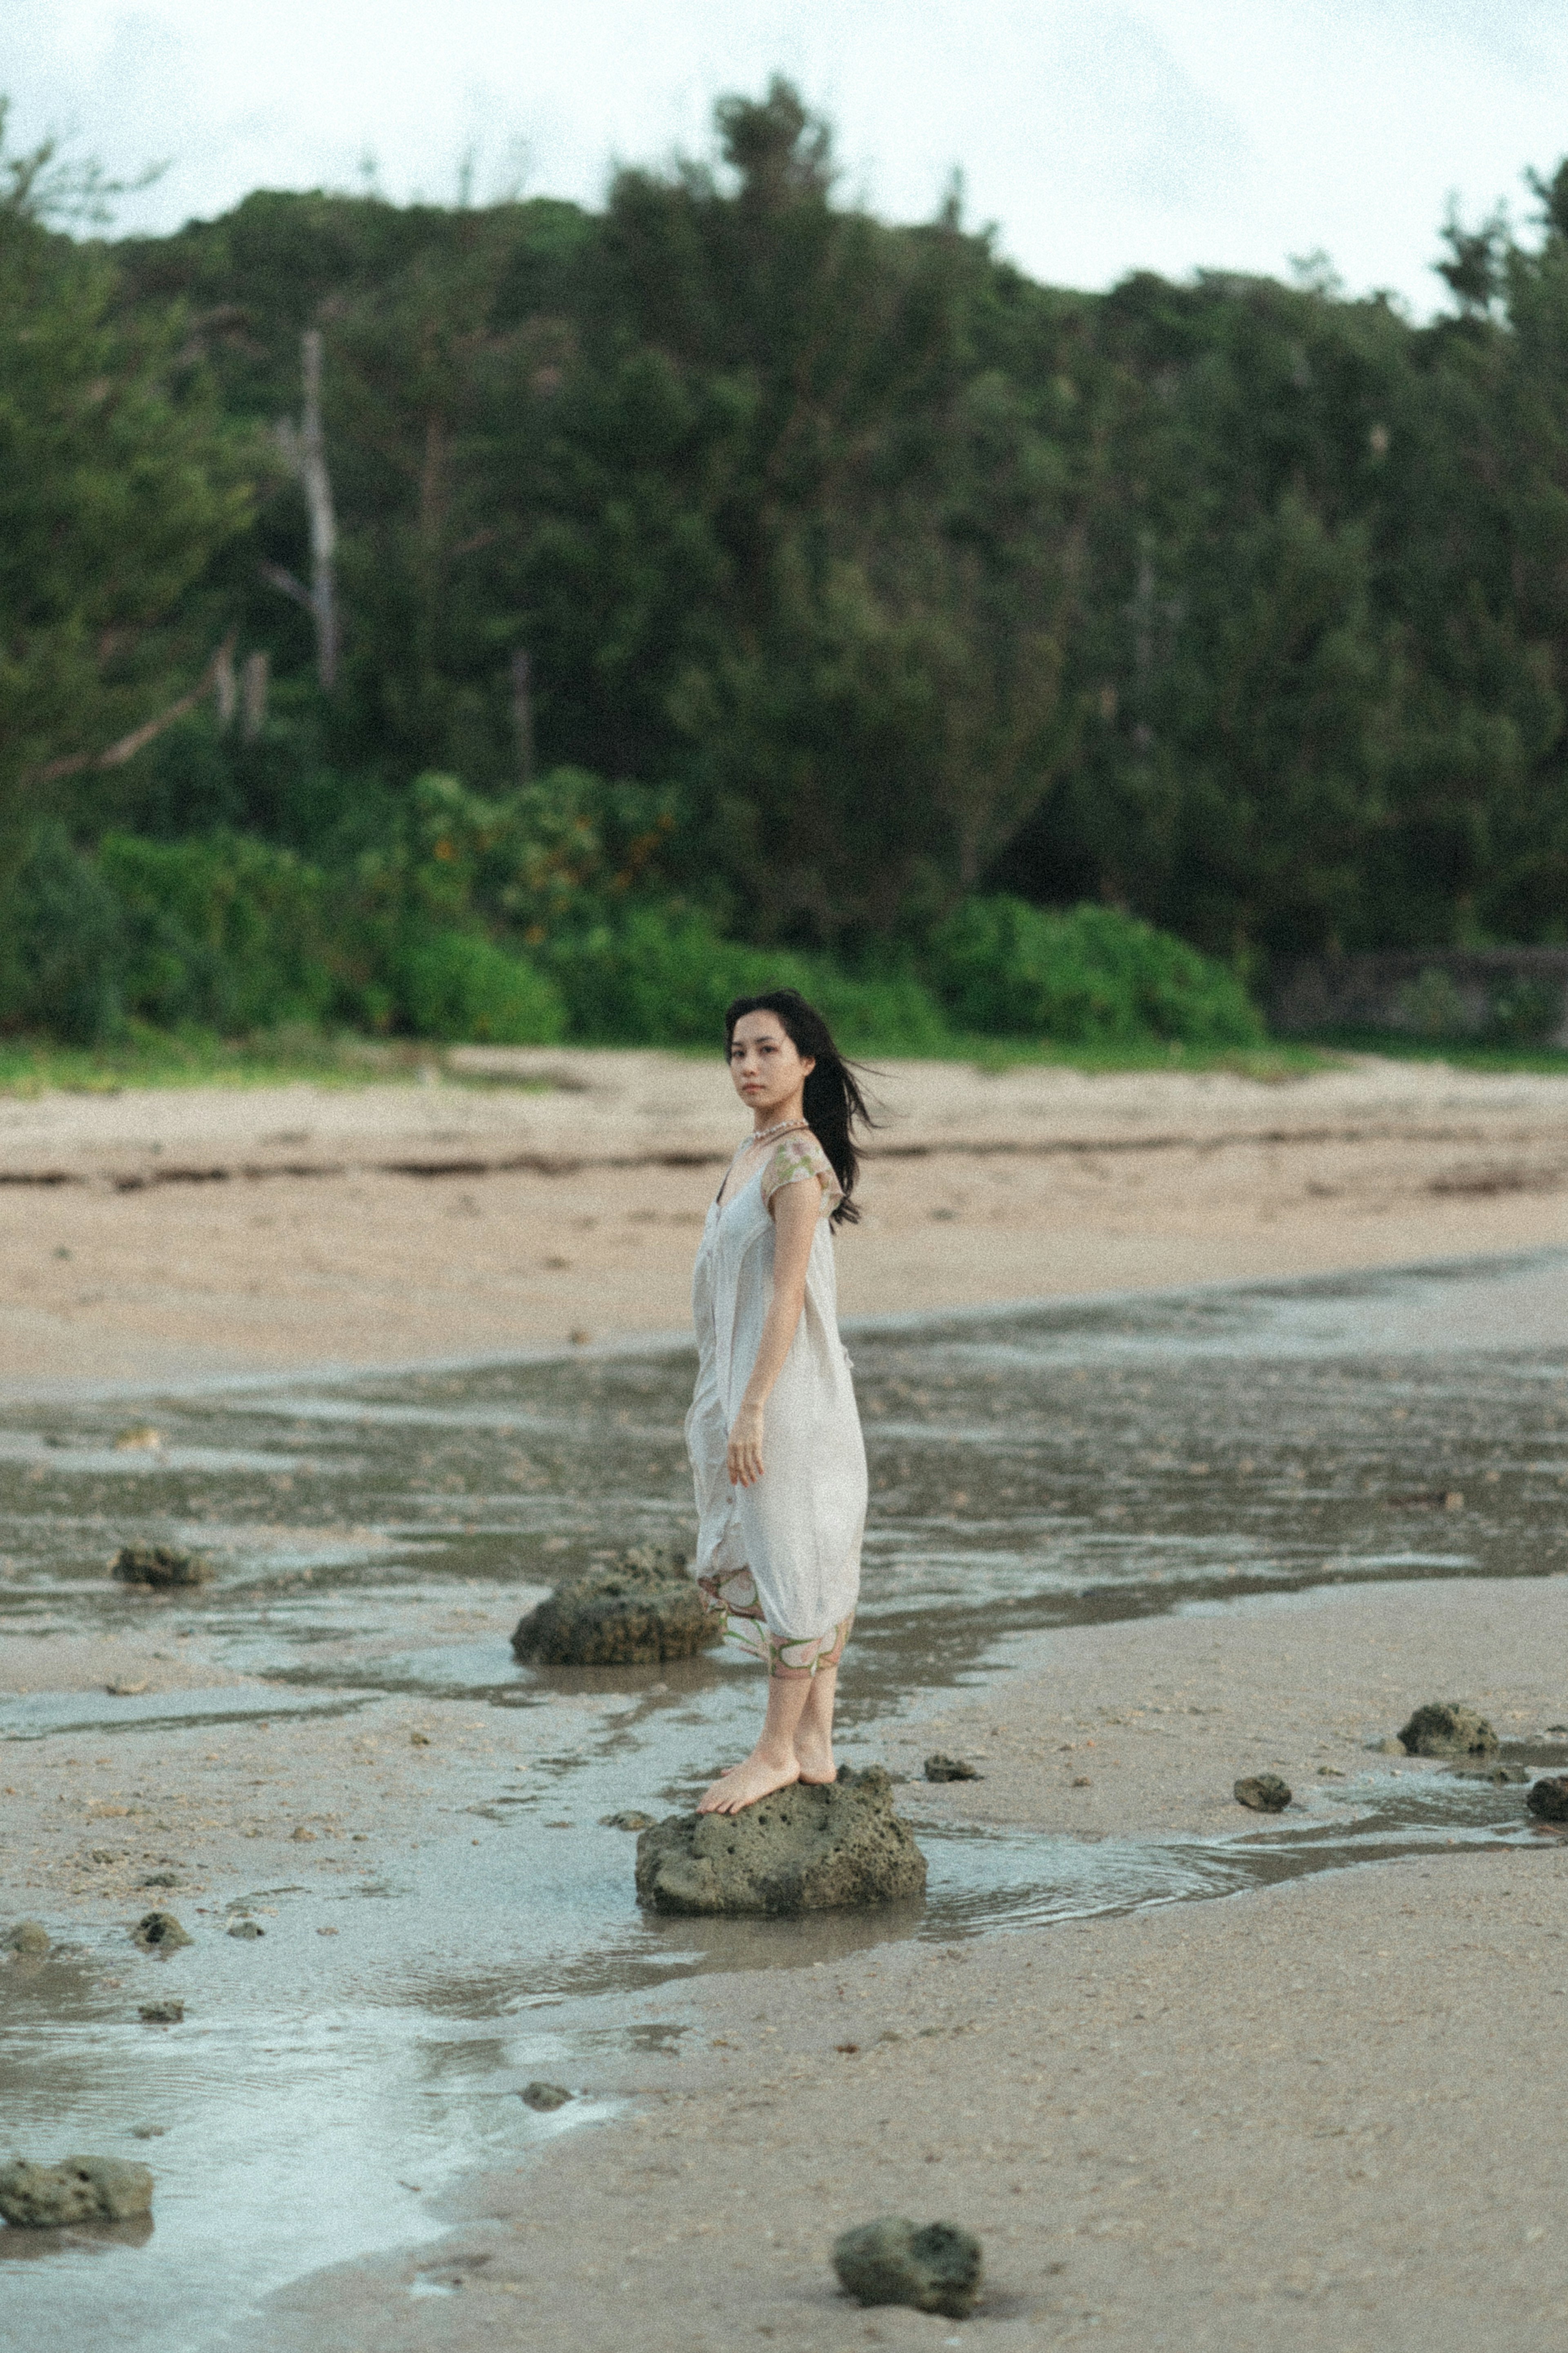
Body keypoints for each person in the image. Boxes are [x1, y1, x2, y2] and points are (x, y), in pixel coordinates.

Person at [685, 988, 872, 1815]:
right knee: (803, 1556)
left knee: (797, 1561)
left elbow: (789, 1295)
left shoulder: (800, 1162)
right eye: (736, 1052)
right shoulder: (752, 1151)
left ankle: (774, 1750)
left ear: (807, 1062)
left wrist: (753, 1407)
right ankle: (815, 1746)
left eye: (766, 1049)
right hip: (751, 1385)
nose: (748, 1066)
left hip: (789, 1395)